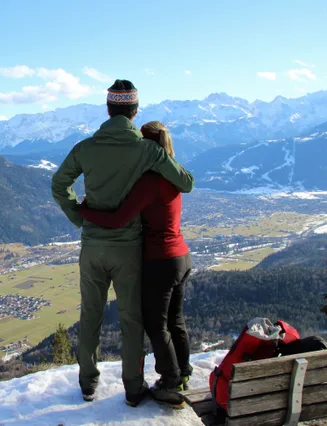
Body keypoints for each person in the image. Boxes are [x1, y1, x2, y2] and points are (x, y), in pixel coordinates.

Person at [51, 80, 194, 407]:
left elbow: (59, 185)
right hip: (129, 249)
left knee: (91, 317)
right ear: (134, 110)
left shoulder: (85, 148)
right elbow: (185, 181)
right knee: (132, 320)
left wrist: (80, 217)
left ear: (108, 108)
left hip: (92, 247)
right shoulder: (147, 150)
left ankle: (88, 383)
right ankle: (133, 388)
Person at [78, 121, 193, 409]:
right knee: (175, 321)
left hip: (160, 260)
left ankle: (170, 381)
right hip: (181, 257)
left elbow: (118, 219)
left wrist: (85, 211)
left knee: (155, 324)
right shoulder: (174, 176)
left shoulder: (150, 181)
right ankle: (184, 373)